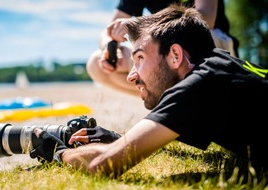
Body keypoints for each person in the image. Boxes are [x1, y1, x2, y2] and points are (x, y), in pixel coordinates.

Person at [29, 4, 268, 177]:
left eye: (140, 58)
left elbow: (102, 165)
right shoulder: (221, 65)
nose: (132, 75)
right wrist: (118, 139)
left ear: (175, 55)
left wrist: (58, 152)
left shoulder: (199, 85)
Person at [86, 0, 239, 96]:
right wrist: (109, 47)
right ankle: (166, 104)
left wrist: (139, 23)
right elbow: (109, 30)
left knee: (169, 43)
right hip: (163, 48)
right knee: (96, 64)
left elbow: (206, 19)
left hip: (210, 43)